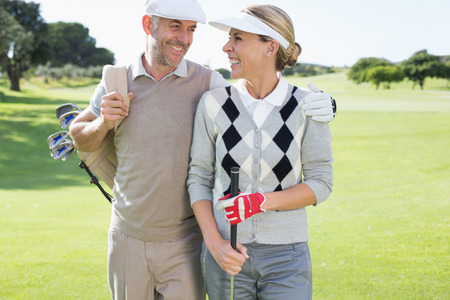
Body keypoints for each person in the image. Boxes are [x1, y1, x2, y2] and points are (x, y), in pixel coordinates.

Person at [70, 0, 335, 299]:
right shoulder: (118, 81)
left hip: (190, 241)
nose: (184, 38)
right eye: (175, 27)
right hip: (131, 237)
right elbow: (80, 137)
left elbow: (261, 94)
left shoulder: (208, 83)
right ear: (148, 26)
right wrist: (104, 122)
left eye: (191, 29)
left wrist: (327, 106)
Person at [187, 4, 334, 300]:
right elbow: (199, 178)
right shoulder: (213, 103)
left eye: (238, 38)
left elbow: (321, 182)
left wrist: (261, 202)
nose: (227, 47)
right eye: (230, 38)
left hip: (287, 257)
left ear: (270, 47)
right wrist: (214, 243)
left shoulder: (308, 106)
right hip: (226, 255)